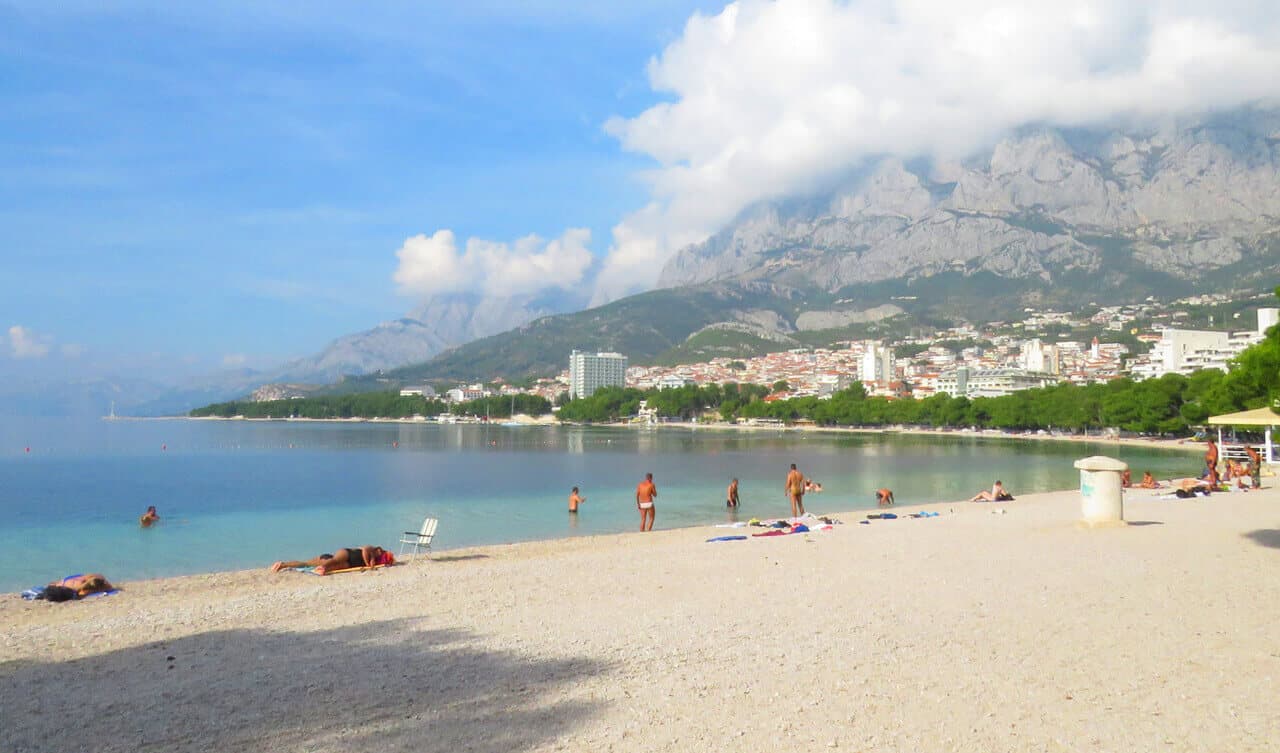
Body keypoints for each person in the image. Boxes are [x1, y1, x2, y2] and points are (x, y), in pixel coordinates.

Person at [271, 546, 393, 574]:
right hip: (347, 554)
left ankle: (283, 564)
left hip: (348, 563)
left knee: (307, 564)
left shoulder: (376, 560)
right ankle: (324, 567)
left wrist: (370, 564)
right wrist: (369, 561)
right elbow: (365, 549)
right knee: (333, 561)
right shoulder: (374, 550)